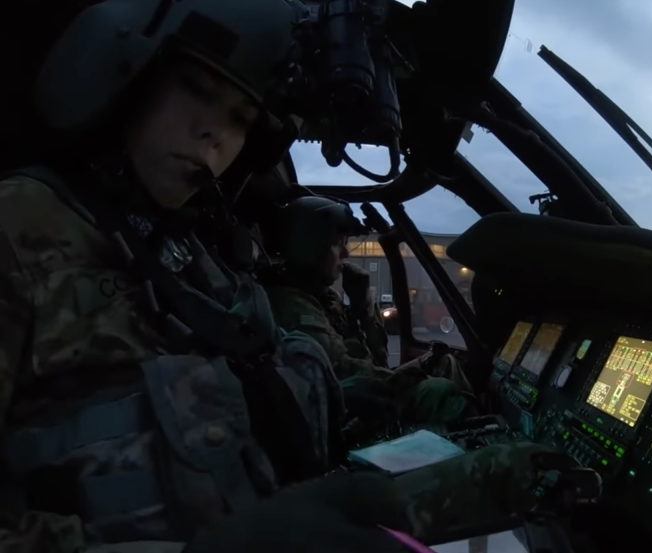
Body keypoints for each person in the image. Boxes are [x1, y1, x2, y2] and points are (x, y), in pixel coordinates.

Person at [0, 1, 400, 551]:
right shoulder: (19, 227)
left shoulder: (188, 256)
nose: (214, 133)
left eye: (240, 118)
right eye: (196, 90)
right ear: (130, 76)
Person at [260, 194, 474, 426]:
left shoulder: (323, 297)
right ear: (308, 246)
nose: (346, 254)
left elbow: (376, 358)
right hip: (347, 408)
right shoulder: (290, 303)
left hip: (363, 390)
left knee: (445, 361)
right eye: (337, 243)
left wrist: (363, 304)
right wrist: (405, 379)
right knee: (438, 388)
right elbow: (344, 371)